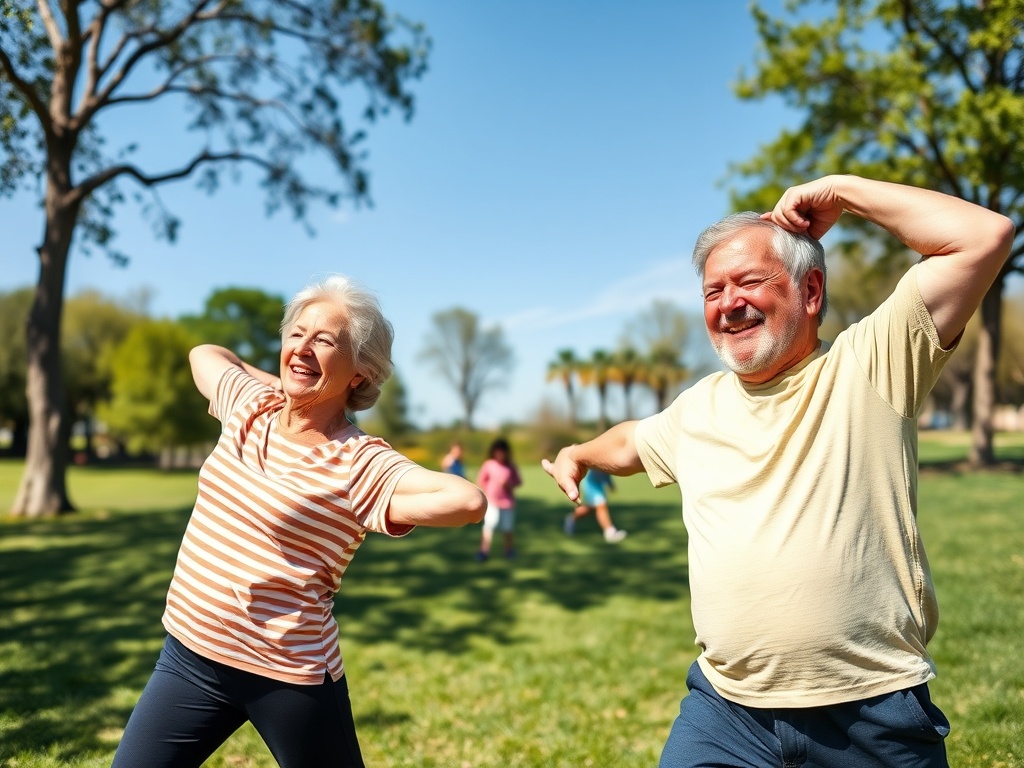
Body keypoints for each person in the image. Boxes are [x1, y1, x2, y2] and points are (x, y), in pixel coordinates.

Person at [542, 174, 1014, 768]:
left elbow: (982, 236)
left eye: (749, 282)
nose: (728, 304)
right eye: (713, 291)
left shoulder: (871, 364)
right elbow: (634, 442)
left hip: (867, 713)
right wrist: (580, 453)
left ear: (810, 290)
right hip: (726, 711)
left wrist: (841, 191)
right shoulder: (699, 407)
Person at [111, 275, 486, 768]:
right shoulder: (249, 407)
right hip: (191, 654)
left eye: (325, 340)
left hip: (288, 674)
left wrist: (381, 490)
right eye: (295, 335)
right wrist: (290, 389)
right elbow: (206, 353)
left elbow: (468, 500)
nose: (302, 348)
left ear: (360, 372)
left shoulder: (360, 462)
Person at [475, 437, 522, 561]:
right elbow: (481, 480)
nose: (500, 454)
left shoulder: (510, 466)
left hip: (507, 502)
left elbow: (518, 481)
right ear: (494, 452)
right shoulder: (489, 464)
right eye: (498, 451)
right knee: (490, 525)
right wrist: (485, 492)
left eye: (503, 451)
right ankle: (483, 551)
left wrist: (508, 484)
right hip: (492, 502)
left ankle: (509, 550)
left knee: (508, 528)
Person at [563, 468, 627, 542]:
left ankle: (571, 518)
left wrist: (609, 483)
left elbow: (607, 470)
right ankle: (609, 532)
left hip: (598, 484)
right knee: (601, 506)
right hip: (591, 484)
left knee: (589, 508)